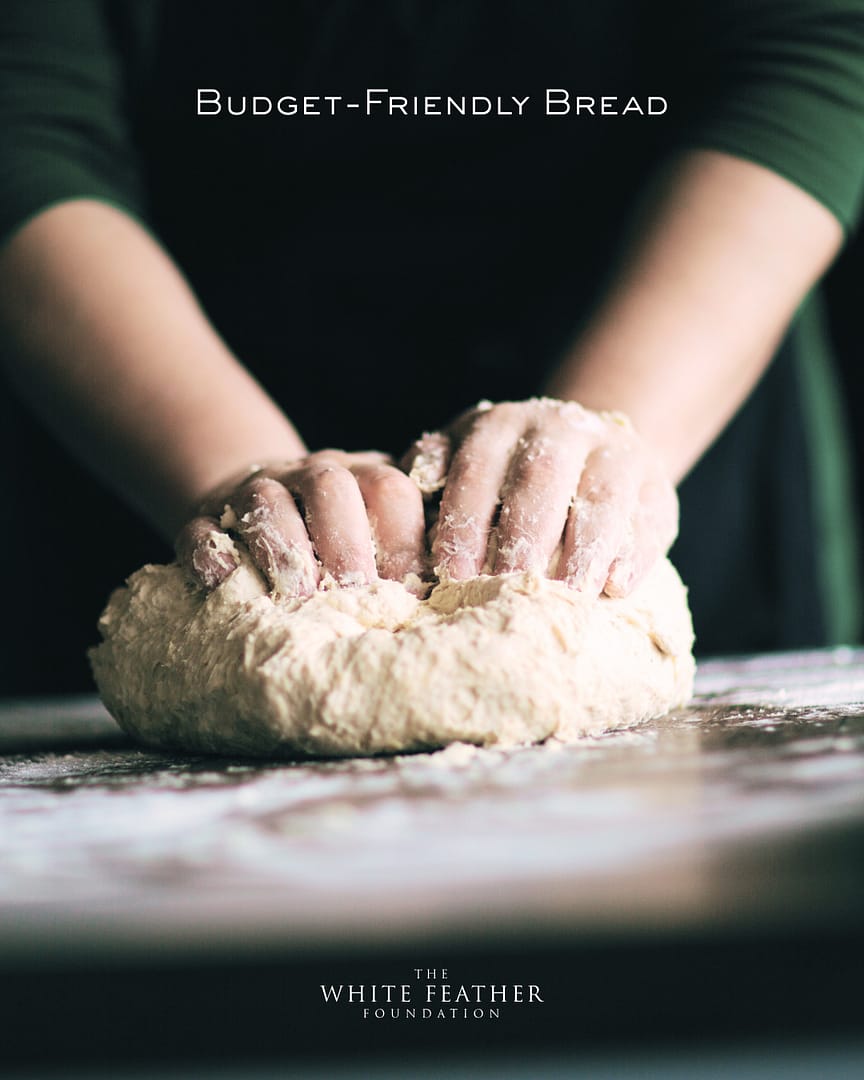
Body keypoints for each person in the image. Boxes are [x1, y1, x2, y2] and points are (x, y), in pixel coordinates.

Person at [0, 2, 862, 694]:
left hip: (669, 344)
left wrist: (602, 426)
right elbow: (25, 120)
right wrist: (229, 470)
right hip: (151, 390)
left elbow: (814, 45)